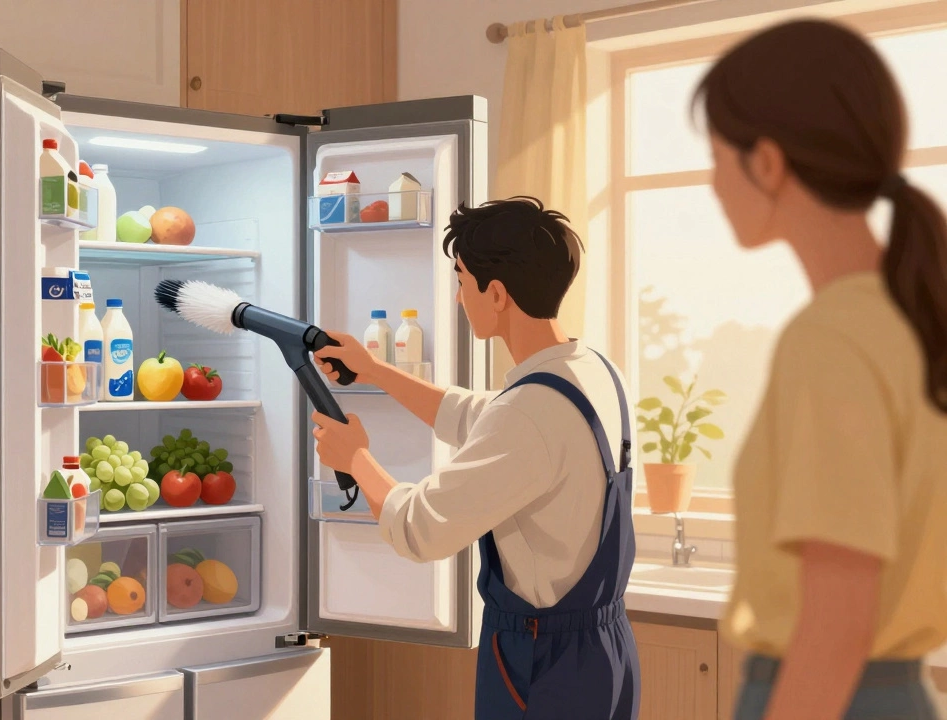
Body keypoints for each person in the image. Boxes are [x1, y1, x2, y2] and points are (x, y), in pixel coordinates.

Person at [692, 19, 947, 720]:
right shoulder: (911, 321)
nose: (714, 184)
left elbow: (836, 625)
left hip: (829, 698)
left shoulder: (831, 339)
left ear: (767, 163)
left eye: (718, 157)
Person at [310, 196, 639, 719]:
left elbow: (420, 528)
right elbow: (478, 416)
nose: (460, 298)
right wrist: (373, 370)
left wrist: (356, 460)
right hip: (606, 649)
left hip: (542, 657)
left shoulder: (529, 411)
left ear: (498, 294)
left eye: (462, 280)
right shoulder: (593, 370)